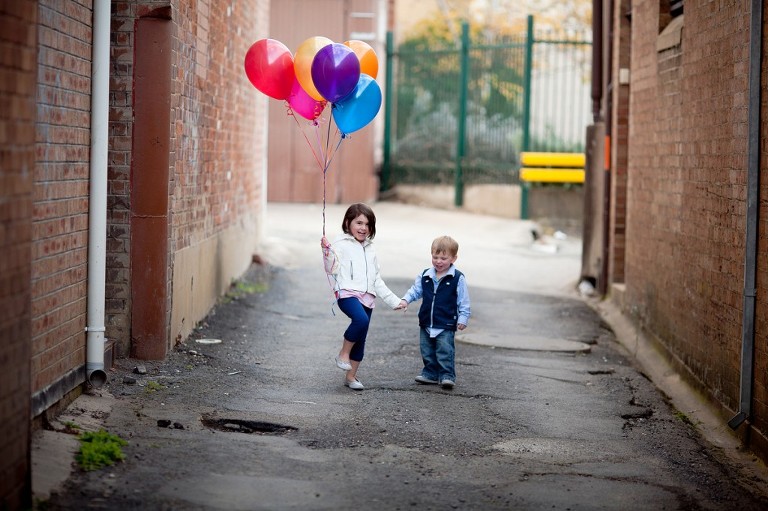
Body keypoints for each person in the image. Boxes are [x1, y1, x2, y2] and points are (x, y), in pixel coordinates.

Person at [321, 203, 402, 391]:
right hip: (347, 293)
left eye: (367, 224)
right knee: (360, 320)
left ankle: (351, 377)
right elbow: (331, 268)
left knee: (362, 337)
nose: (363, 228)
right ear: (348, 222)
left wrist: (394, 301)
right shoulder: (340, 244)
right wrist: (327, 252)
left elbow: (377, 279)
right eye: (359, 223)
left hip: (367, 296)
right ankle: (343, 354)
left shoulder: (371, 249)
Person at [398, 235, 470, 390]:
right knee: (427, 350)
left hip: (446, 322)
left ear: (453, 258)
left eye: (443, 258)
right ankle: (430, 373)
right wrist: (405, 300)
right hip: (426, 321)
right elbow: (415, 291)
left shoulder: (457, 278)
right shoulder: (426, 275)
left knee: (445, 350)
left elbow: (463, 300)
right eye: (435, 257)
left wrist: (463, 317)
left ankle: (447, 375)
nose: (438, 261)